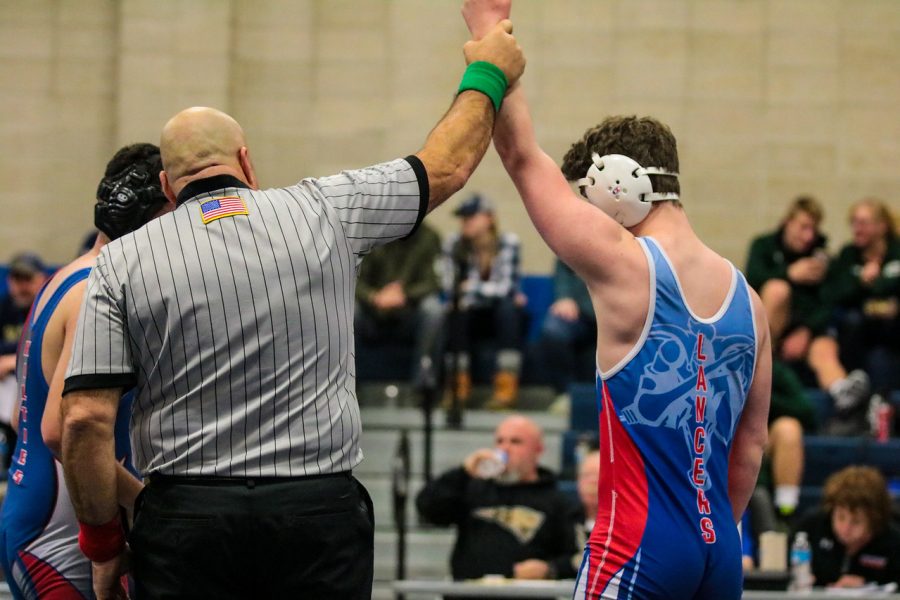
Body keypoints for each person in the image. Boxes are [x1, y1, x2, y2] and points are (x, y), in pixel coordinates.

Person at [59, 23, 526, 600]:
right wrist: (490, 70)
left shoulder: (118, 262)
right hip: (315, 516)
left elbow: (83, 420)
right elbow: (447, 165)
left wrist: (104, 543)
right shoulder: (325, 210)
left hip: (187, 520)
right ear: (247, 163)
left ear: (167, 185)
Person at [462, 2, 771, 597]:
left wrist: (487, 32)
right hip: (720, 553)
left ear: (617, 188)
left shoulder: (627, 266)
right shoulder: (750, 300)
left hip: (639, 543)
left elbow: (522, 157)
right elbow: (749, 448)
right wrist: (710, 536)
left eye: (589, 199)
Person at [0, 144, 171, 600]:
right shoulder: (98, 291)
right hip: (60, 534)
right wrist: (142, 503)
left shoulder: (65, 277)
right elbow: (61, 430)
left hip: (42, 509)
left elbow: (25, 418)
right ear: (156, 217)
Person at [415, 415, 579, 587]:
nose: (505, 448)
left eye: (515, 442)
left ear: (538, 449)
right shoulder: (474, 489)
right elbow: (428, 508)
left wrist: (550, 569)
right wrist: (463, 472)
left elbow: (579, 559)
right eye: (500, 441)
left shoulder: (558, 501)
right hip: (470, 595)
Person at [746, 197, 870, 419]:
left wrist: (806, 331)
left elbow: (827, 301)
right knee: (777, 289)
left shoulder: (819, 257)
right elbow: (751, 282)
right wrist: (790, 274)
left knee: (825, 347)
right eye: (803, 227)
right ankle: (760, 361)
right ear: (787, 222)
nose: (808, 236)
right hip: (771, 332)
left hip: (806, 332)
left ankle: (842, 392)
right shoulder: (764, 246)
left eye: (813, 229)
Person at [444, 193, 526, 409]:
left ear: (489, 218)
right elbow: (450, 287)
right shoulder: (454, 244)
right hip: (469, 313)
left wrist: (471, 288)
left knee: (508, 309)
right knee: (456, 310)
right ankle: (457, 386)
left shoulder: (509, 242)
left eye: (471, 216)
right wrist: (481, 292)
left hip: (498, 314)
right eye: (463, 217)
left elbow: (506, 288)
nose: (465, 222)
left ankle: (506, 388)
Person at [822, 199, 899, 395]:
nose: (856, 229)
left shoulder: (896, 253)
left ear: (881, 226)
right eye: (854, 222)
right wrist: (862, 283)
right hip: (856, 339)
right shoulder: (848, 254)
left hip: (890, 339)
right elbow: (835, 293)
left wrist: (876, 282)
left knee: (881, 358)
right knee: (852, 321)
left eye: (863, 223)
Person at [354, 222, 444, 385]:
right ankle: (348, 383)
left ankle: (424, 384)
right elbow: (353, 280)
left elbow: (434, 281)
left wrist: (405, 295)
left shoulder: (429, 237)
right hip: (372, 312)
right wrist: (374, 296)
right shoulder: (369, 234)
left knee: (434, 310)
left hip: (409, 312)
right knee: (349, 311)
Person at [792, 465, 900, 588]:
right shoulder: (811, 526)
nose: (845, 528)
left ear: (874, 520)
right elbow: (783, 570)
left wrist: (868, 585)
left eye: (856, 521)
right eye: (840, 517)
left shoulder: (894, 541)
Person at [0, 253, 47, 470]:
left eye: (27, 279)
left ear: (41, 279)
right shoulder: (4, 307)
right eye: (17, 279)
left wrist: (12, 360)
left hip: (35, 383)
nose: (22, 286)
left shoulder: (45, 309)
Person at [541, 259, 596, 412]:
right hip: (581, 311)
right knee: (553, 330)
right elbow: (564, 266)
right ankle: (565, 394)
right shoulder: (580, 236)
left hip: (620, 312)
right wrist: (564, 297)